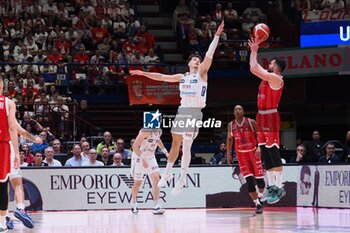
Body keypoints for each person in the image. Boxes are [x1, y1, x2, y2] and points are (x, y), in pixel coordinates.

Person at [130, 21, 224, 196]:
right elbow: (162, 77)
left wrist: (217, 36)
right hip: (183, 111)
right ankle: (168, 173)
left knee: (186, 147)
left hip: (195, 113)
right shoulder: (183, 76)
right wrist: (144, 74)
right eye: (195, 59)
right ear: (189, 62)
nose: (197, 60)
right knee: (175, 142)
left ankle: (181, 180)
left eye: (198, 59)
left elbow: (210, 54)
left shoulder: (202, 73)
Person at [248, 36, 287, 204]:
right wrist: (253, 51)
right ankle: (271, 187)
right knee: (265, 154)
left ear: (277, 67)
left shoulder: (277, 79)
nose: (269, 65)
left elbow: (256, 69)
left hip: (270, 116)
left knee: (273, 152)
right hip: (261, 116)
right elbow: (253, 67)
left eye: (271, 63)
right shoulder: (267, 77)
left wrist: (255, 51)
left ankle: (279, 188)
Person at [226, 105, 265, 213]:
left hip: (253, 153)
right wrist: (228, 153)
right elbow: (229, 139)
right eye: (235, 109)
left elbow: (259, 134)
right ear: (233, 113)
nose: (237, 111)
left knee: (260, 181)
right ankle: (257, 204)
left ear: (243, 111)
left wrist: (259, 147)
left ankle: (261, 196)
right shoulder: (231, 125)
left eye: (239, 109)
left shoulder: (251, 122)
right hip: (241, 155)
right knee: (249, 181)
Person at [130, 128, 169, 214]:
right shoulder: (145, 131)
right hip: (139, 156)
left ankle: (156, 205)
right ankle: (133, 203)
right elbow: (135, 147)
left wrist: (166, 153)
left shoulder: (159, 131)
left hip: (151, 156)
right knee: (137, 183)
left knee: (156, 178)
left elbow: (158, 140)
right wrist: (142, 159)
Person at [0, 76, 20, 232]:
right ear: (1, 85)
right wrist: (17, 153)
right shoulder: (8, 103)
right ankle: (1, 223)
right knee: (2, 186)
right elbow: (13, 129)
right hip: (3, 147)